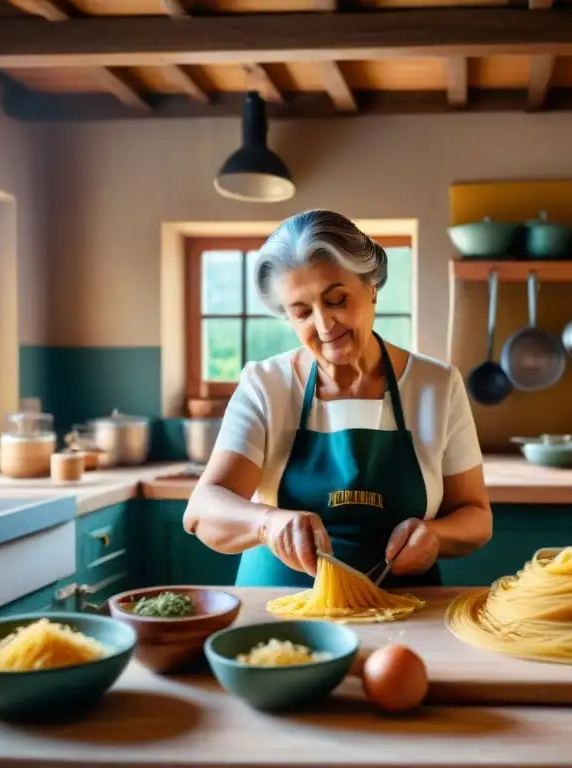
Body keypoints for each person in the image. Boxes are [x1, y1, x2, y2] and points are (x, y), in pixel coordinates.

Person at [184, 210, 492, 588]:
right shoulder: (266, 385)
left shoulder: (437, 386)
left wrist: (436, 536)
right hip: (281, 609)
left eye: (337, 299)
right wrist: (267, 523)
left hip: (405, 607)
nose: (325, 324)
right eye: (302, 312)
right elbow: (202, 510)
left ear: (372, 287)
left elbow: (476, 517)